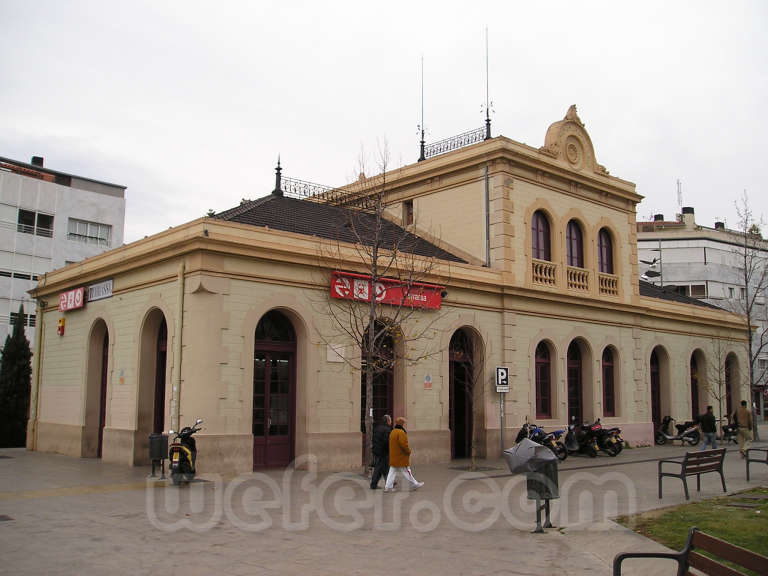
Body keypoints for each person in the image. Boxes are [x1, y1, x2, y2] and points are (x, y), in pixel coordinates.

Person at [384, 417, 424, 492]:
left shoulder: (393, 432)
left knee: (392, 472)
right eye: (404, 423)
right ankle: (415, 483)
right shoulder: (401, 432)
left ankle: (388, 487)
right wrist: (408, 451)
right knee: (407, 471)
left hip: (394, 456)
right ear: (402, 424)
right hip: (400, 456)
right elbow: (404, 445)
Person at [370, 414, 392, 489]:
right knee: (382, 468)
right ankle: (388, 484)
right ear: (387, 421)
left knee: (381, 468)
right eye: (390, 420)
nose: (391, 422)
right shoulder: (387, 430)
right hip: (383, 452)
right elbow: (386, 442)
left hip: (377, 451)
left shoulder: (377, 428)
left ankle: (387, 483)